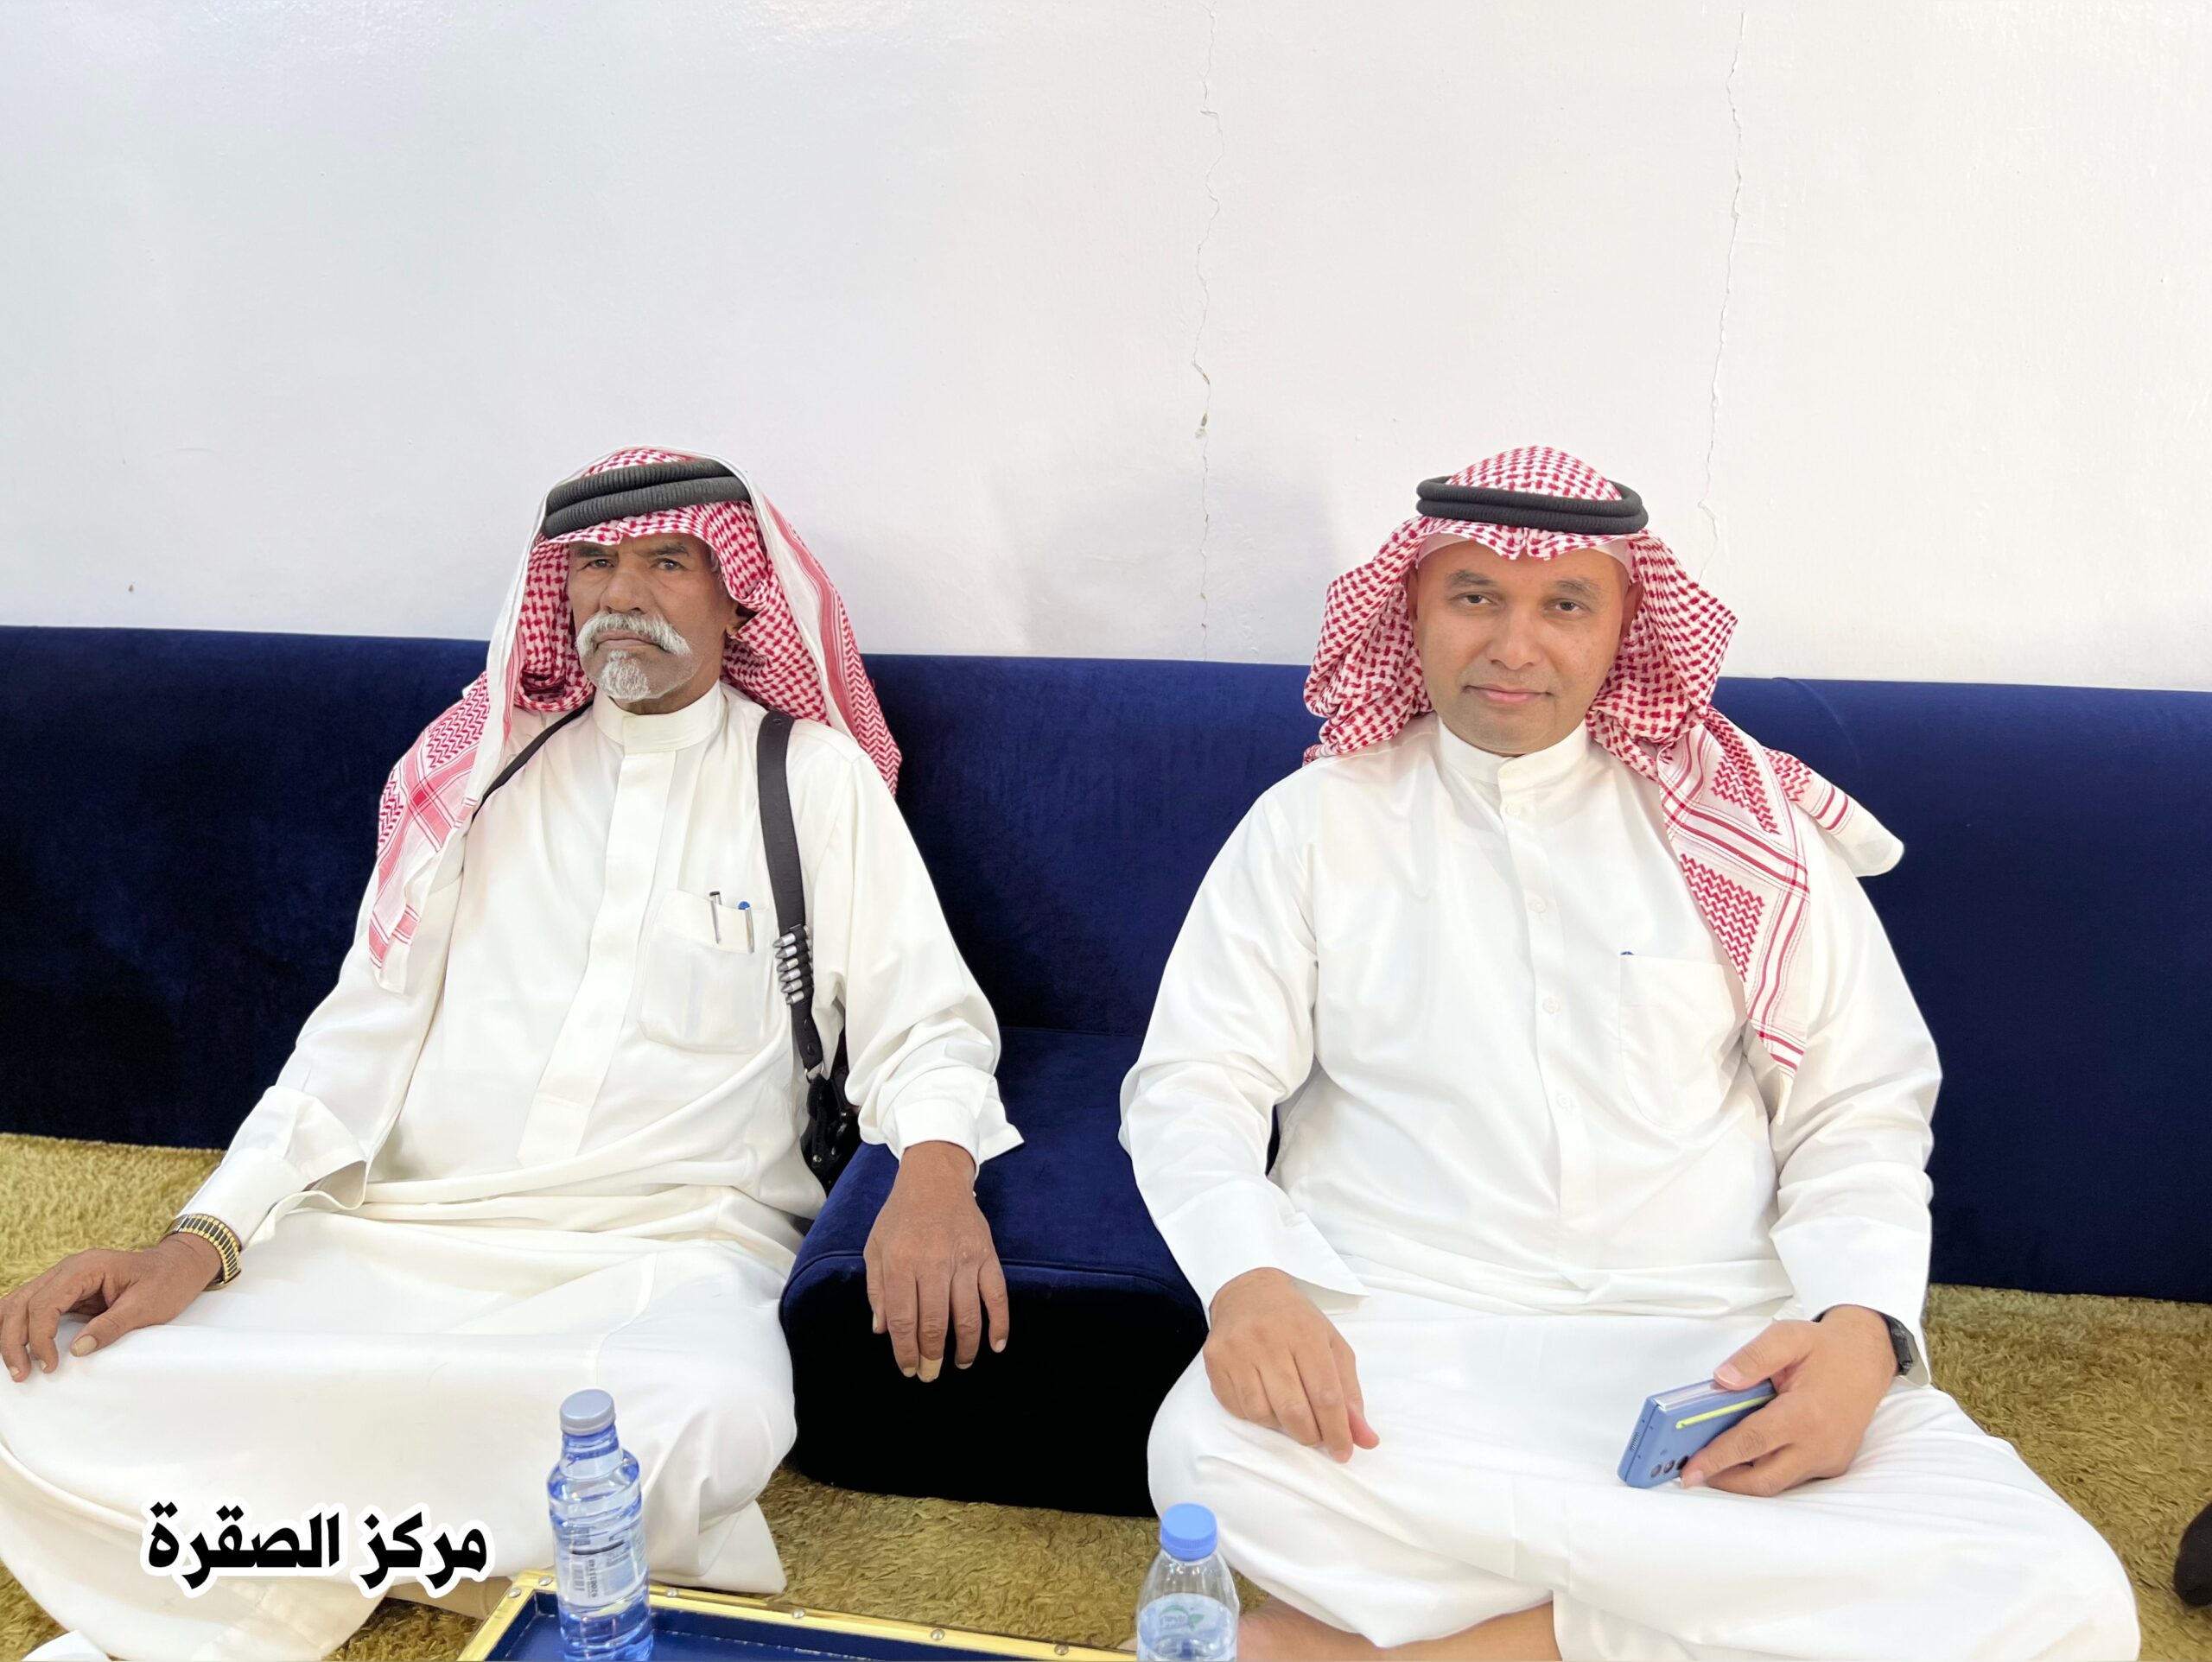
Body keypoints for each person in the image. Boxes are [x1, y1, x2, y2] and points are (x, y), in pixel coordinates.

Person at [0, 447, 1020, 1661]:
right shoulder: (483, 776)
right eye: (592, 565)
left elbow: (925, 1022)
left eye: (667, 561)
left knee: (715, 1409)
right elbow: (356, 1039)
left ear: (740, 600)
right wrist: (197, 1243)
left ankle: (260, 1566)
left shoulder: (811, 781)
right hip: (399, 1239)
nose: (620, 593)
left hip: (664, 1259)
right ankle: (474, 1551)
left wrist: (937, 1175)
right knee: (46, 1375)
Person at [1124, 447, 2138, 1659]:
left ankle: (1442, 1646)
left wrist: (1862, 1333)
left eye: (1564, 605)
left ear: (1624, 631)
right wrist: (1247, 1282)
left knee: (2071, 1599)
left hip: (1712, 1348)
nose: (1514, 645)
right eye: (1475, 597)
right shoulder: (1310, 827)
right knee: (1210, 1455)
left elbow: (1858, 1105)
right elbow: (1195, 1082)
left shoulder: (1742, 825)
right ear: (1414, 612)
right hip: (1404, 1341)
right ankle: (1701, 1617)